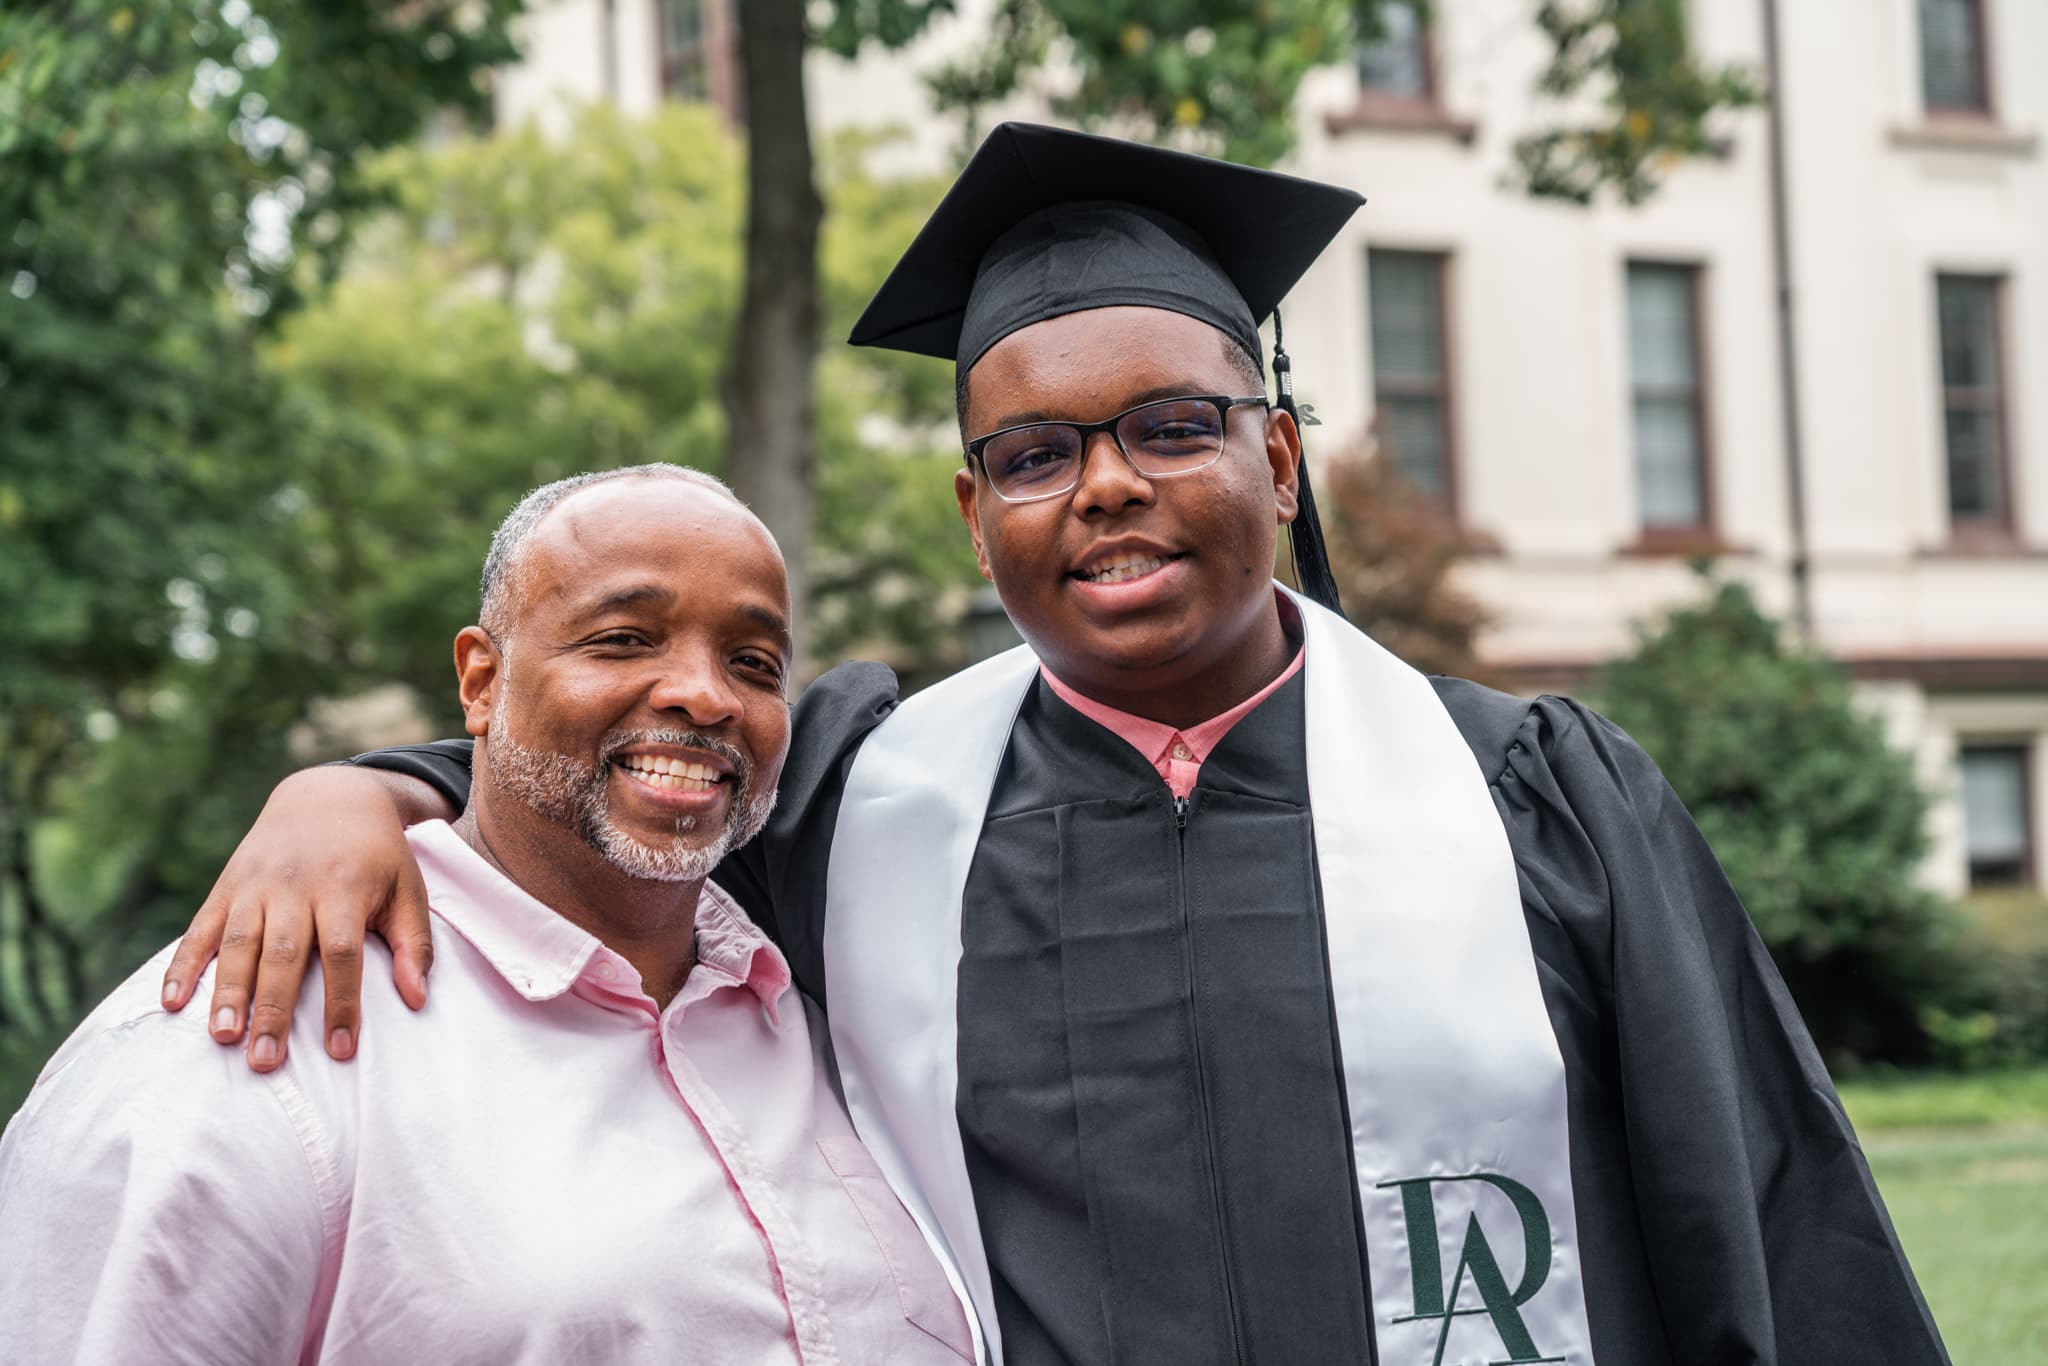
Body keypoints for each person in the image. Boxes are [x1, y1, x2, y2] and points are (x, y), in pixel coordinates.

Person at [161, 125, 1949, 1365]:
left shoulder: (1537, 802)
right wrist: (360, 790)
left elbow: (1767, 1235)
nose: (1099, 485)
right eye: (1030, 454)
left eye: (1169, 425)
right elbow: (604, 768)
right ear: (972, 511)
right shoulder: (867, 797)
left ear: (1275, 459)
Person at [0, 466, 973, 1365]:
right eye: (623, 639)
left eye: (754, 661)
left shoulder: (825, 1004)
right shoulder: (249, 1045)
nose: (703, 695)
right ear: (479, 680)